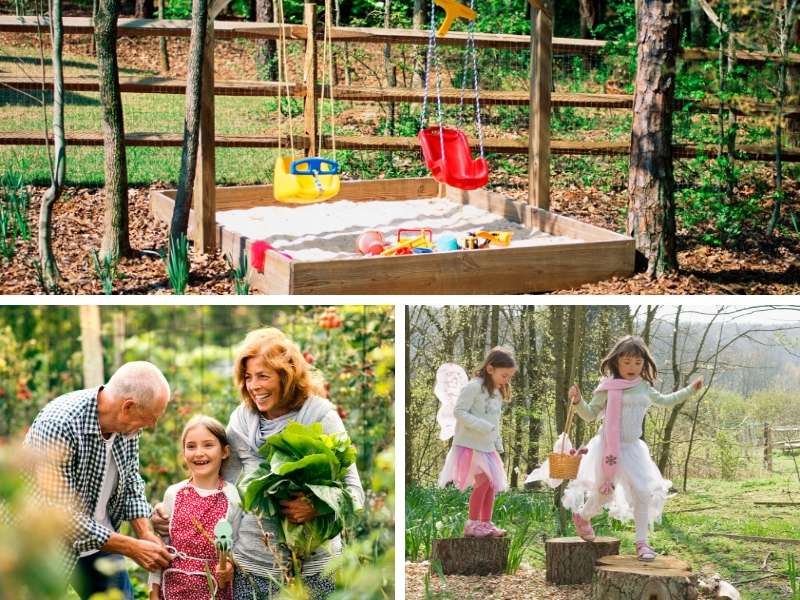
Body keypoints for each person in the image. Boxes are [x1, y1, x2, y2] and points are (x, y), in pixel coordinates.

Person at [153, 328, 364, 600]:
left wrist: (318, 505)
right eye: (248, 377)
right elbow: (217, 489)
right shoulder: (241, 420)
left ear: (286, 376)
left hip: (313, 568)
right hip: (251, 567)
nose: (254, 386)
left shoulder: (319, 415)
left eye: (263, 376)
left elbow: (354, 493)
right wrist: (169, 512)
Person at [529, 335, 703, 562]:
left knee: (643, 493)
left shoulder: (644, 388)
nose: (632, 367)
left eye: (638, 363)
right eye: (627, 362)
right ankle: (583, 516)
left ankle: (642, 543)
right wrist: (578, 401)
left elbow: (666, 401)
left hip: (633, 449)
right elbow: (590, 415)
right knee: (604, 492)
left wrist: (690, 390)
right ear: (617, 362)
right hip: (608, 447)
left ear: (644, 364)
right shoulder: (607, 388)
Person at [24, 361, 173, 600]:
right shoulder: (60, 425)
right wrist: (132, 547)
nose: (152, 425)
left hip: (100, 540)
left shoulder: (128, 427)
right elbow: (62, 517)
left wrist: (145, 533)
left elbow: (132, 481)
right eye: (151, 417)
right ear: (128, 406)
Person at [149, 416, 242, 600]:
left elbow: (236, 546)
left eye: (208, 445)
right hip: (171, 588)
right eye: (191, 446)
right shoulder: (174, 494)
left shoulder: (232, 497)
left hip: (214, 589)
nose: (199, 453)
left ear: (225, 452)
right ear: (184, 453)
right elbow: (161, 548)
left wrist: (230, 566)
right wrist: (153, 592)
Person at [437, 347, 516, 538]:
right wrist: (482, 426)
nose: (506, 380)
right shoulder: (473, 387)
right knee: (483, 481)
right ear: (490, 369)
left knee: (491, 484)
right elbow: (459, 412)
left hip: (487, 446)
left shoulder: (496, 392)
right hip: (469, 445)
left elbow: (494, 421)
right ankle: (472, 524)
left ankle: (485, 523)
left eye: (509, 377)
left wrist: (497, 441)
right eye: (504, 375)